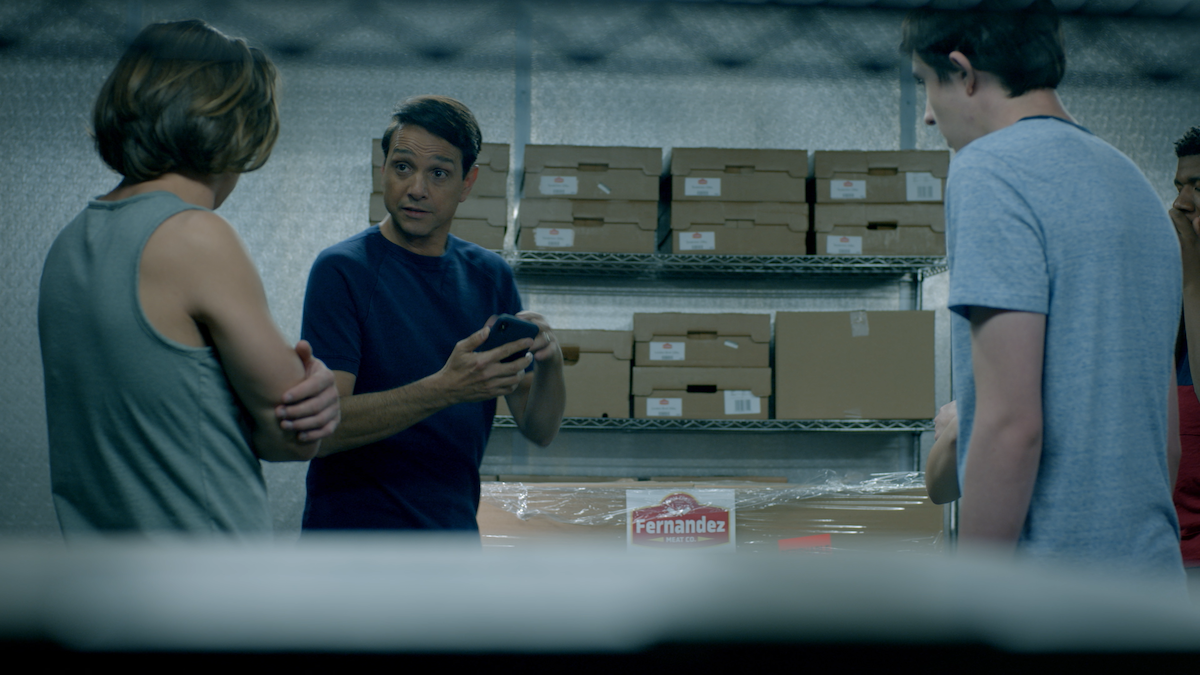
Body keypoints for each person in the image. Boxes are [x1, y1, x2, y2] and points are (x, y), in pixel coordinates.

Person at [902, 2, 1184, 582]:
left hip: (1053, 599)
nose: (929, 116)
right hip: (1152, 588)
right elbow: (1167, 443)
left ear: (964, 71)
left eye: (926, 85)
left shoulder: (990, 170)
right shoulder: (1136, 187)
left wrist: (979, 601)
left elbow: (1011, 425)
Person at [38, 20, 341, 536]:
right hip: (208, 592)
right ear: (238, 125)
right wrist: (318, 392)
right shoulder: (196, 236)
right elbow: (293, 438)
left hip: (104, 590)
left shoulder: (68, 246)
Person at [300, 95, 566, 532]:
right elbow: (323, 432)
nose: (417, 188)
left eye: (438, 173)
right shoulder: (343, 270)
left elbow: (539, 429)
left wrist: (552, 361)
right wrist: (444, 388)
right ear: (383, 169)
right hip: (350, 548)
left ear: (466, 183)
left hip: (451, 542)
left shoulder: (490, 277)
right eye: (403, 166)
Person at [1170, 126, 1200, 574]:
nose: (1182, 202)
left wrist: (1192, 276)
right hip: (1168, 558)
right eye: (1178, 186)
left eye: (1198, 185)